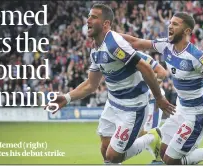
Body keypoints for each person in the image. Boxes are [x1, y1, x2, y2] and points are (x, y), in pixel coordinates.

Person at [45, 3, 176, 164]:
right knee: (104, 148)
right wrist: (66, 98)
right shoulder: (95, 49)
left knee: (113, 156)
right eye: (88, 17)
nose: (88, 20)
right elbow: (91, 85)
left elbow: (146, 67)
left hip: (132, 108)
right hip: (113, 103)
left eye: (94, 17)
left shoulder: (114, 45)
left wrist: (159, 98)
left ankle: (151, 138)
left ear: (106, 24)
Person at [120, 12, 203, 165]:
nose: (170, 26)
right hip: (181, 109)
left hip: (197, 114)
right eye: (170, 23)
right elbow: (136, 42)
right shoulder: (165, 45)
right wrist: (108, 35)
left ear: (187, 31)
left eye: (175, 24)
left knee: (171, 160)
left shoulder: (195, 56)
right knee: (162, 152)